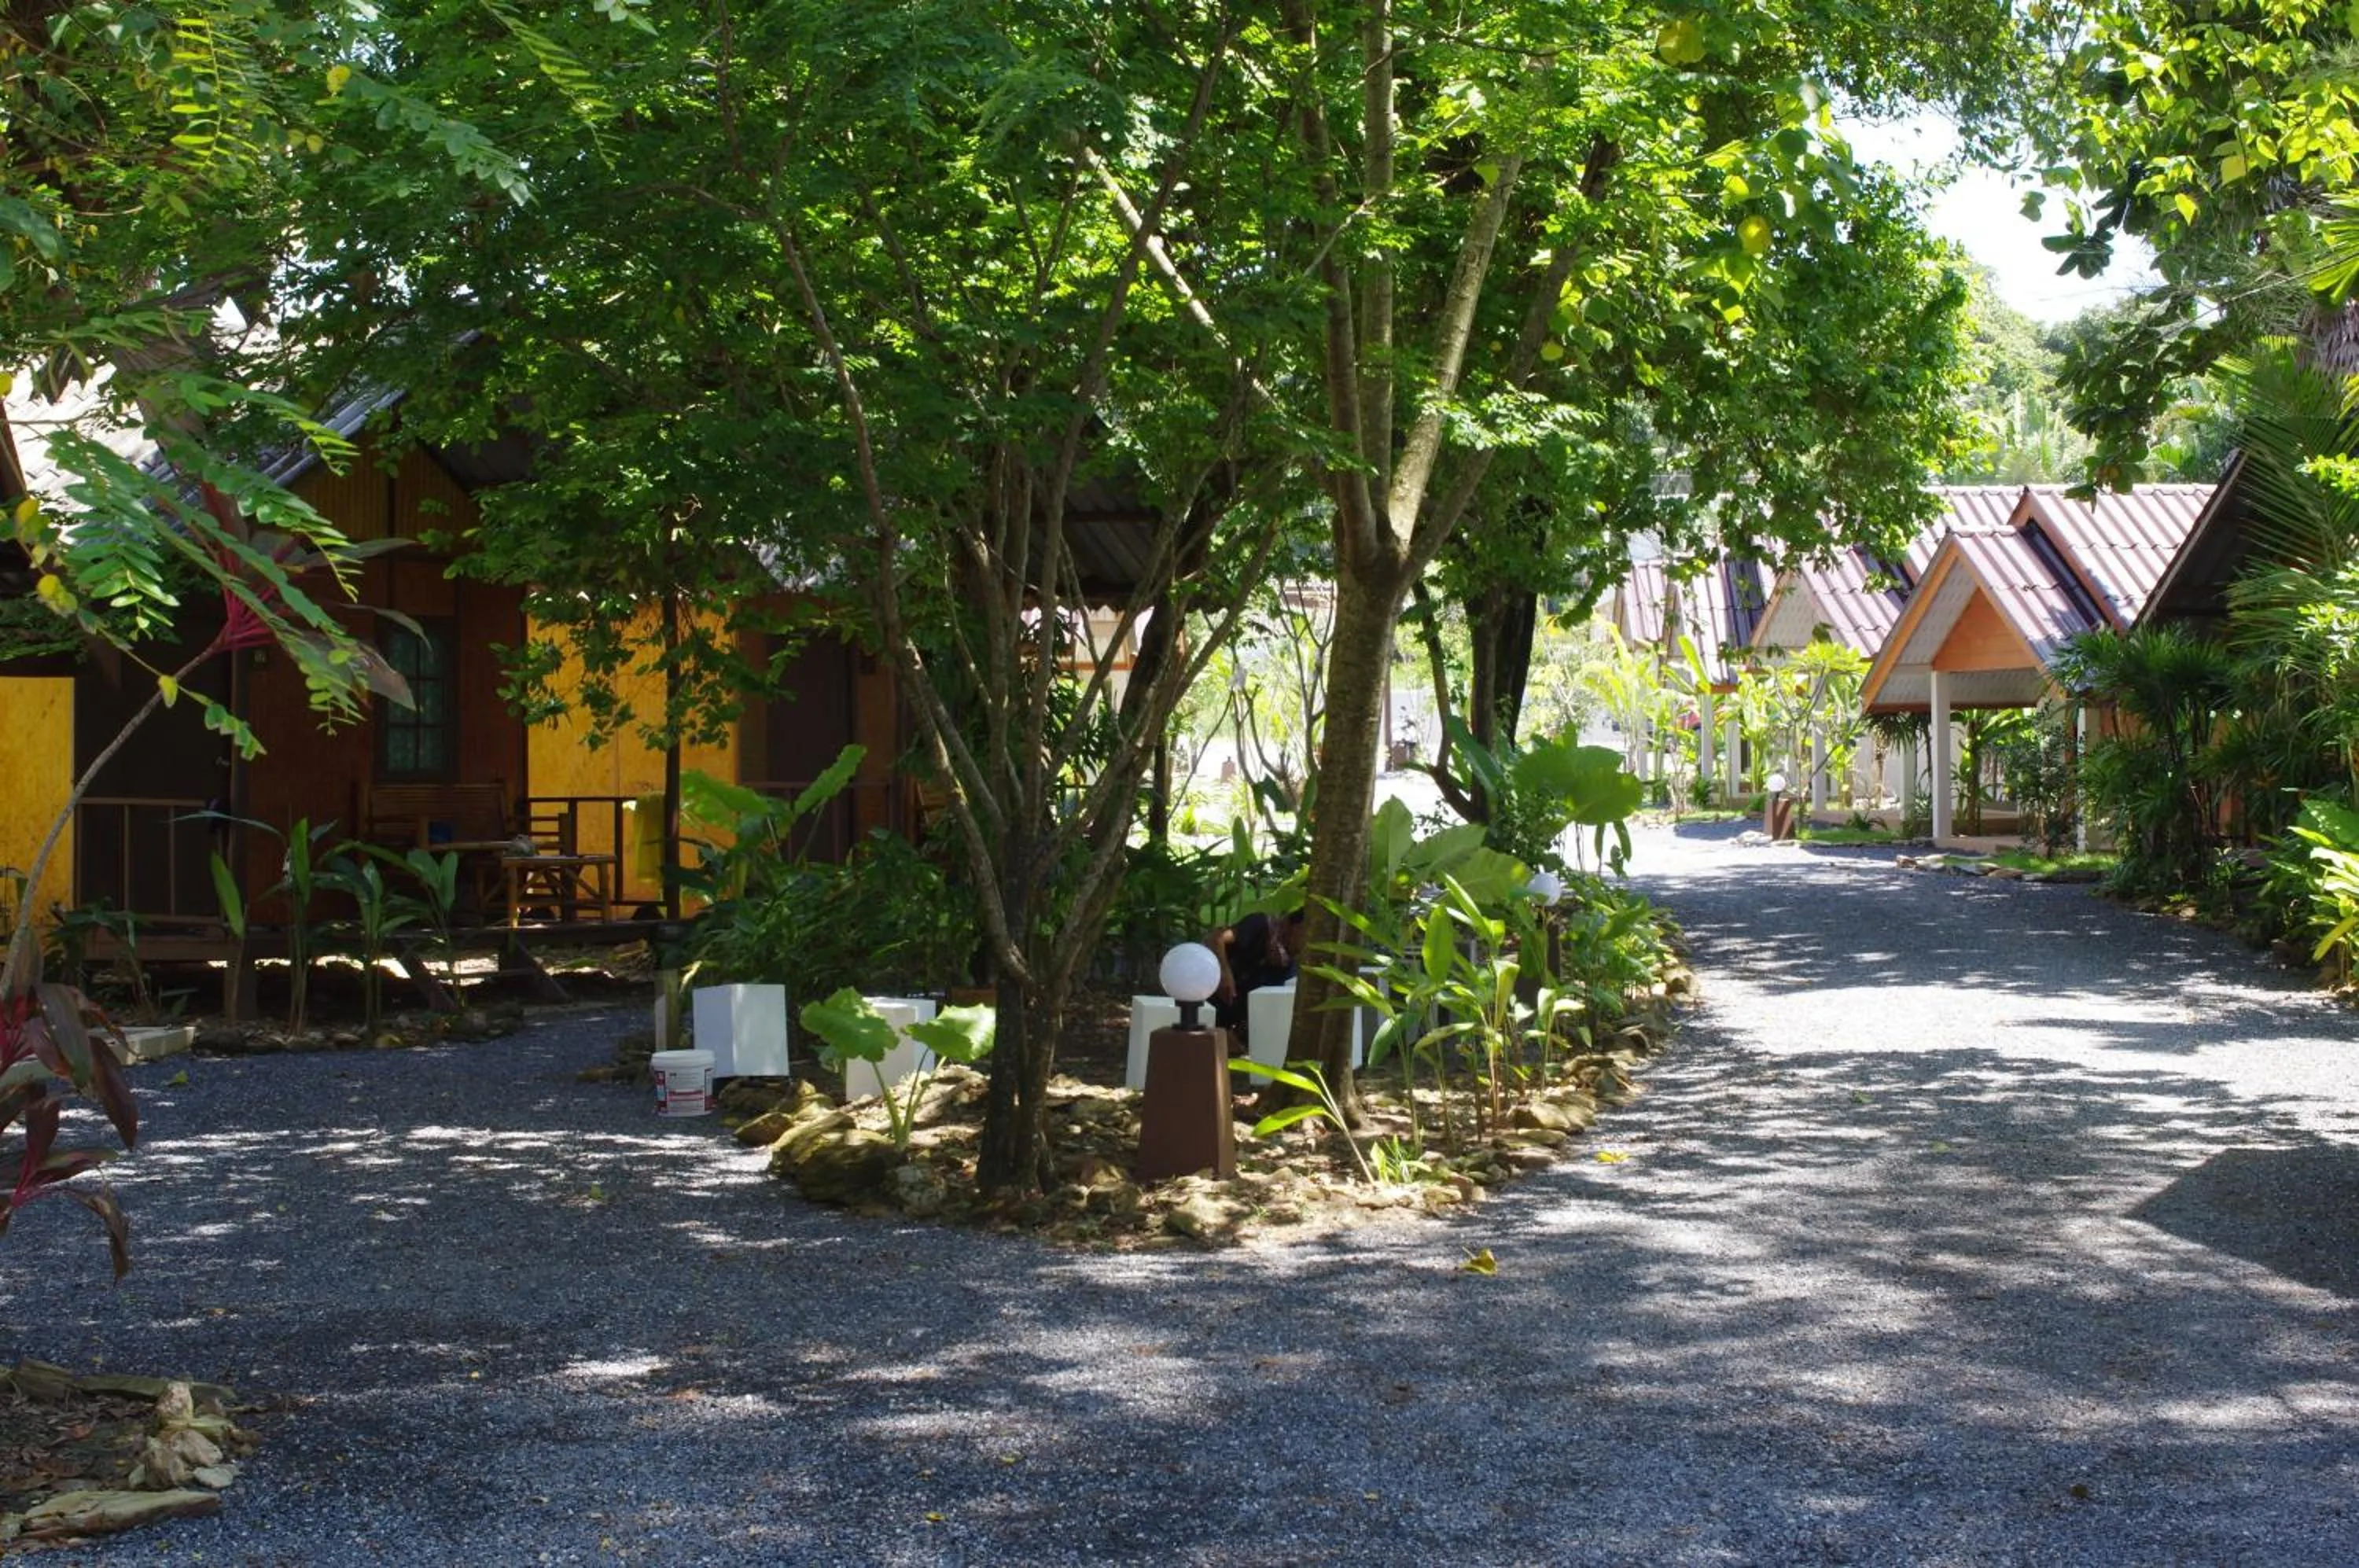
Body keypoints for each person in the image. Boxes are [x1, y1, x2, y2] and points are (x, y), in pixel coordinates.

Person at [1207, 907, 1305, 1038]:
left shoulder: (1289, 969)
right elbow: (1217, 938)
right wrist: (1224, 972)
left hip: (1227, 1026)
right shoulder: (1260, 925)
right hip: (1205, 1002)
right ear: (1294, 927)